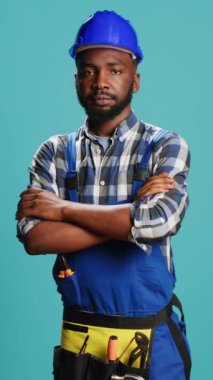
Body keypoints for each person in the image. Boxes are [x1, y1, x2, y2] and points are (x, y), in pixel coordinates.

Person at [16, 10, 191, 380]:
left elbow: (159, 222)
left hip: (151, 345)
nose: (100, 82)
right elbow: (35, 237)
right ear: (76, 79)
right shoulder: (54, 152)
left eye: (114, 69)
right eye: (89, 70)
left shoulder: (165, 146)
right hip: (79, 344)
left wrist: (60, 208)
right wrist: (129, 218)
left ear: (135, 79)